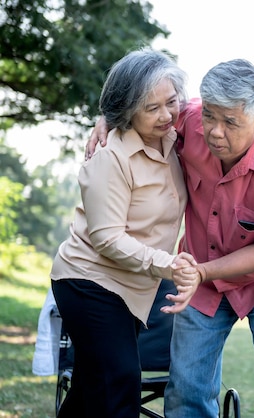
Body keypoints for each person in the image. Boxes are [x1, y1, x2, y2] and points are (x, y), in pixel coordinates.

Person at [89, 59, 254, 417]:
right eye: (210, 115)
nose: (214, 131)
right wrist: (107, 119)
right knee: (188, 385)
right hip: (200, 272)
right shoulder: (189, 119)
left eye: (230, 122)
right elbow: (139, 104)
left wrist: (203, 272)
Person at [51, 47, 201, 418]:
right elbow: (107, 238)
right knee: (119, 384)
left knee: (91, 389)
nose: (167, 115)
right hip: (90, 282)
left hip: (131, 287)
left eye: (171, 102)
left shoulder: (174, 136)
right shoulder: (110, 156)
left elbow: (219, 108)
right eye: (152, 108)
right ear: (127, 110)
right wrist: (170, 265)